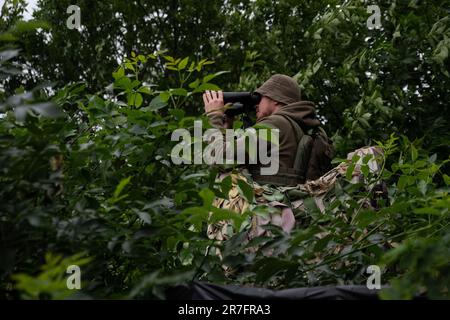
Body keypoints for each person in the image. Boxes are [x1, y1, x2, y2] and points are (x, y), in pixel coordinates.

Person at [203, 74, 333, 186]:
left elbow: (221, 160)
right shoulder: (296, 127)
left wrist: (214, 116)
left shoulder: (275, 124)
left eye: (260, 98)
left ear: (276, 99)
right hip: (281, 207)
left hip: (261, 209)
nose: (256, 104)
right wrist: (227, 129)